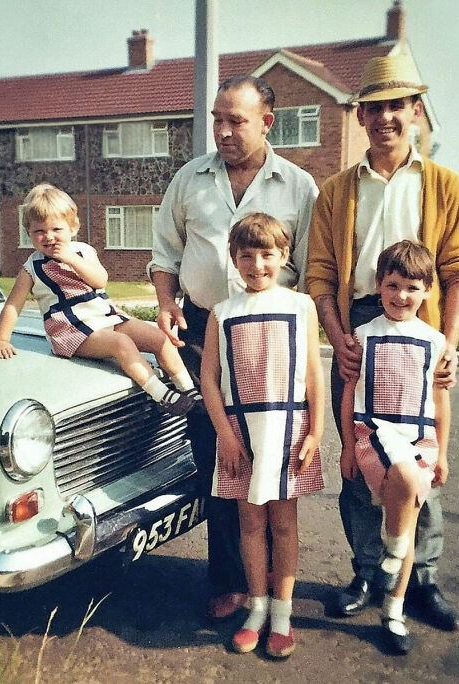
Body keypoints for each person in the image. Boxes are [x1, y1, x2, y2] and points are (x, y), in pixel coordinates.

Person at [305, 54, 459, 631]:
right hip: (359, 325)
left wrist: (448, 343)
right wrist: (338, 337)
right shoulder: (336, 189)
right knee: (360, 458)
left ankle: (420, 576)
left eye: (396, 106)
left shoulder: (444, 184)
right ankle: (364, 571)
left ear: (416, 112)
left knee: (420, 460)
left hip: (421, 325)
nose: (384, 117)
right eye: (374, 107)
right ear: (360, 115)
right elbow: (322, 274)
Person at [149, 75, 319, 621]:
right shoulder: (189, 179)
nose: (222, 131)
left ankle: (273, 585)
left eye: (235, 121)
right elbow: (164, 253)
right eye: (217, 120)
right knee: (222, 457)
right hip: (205, 326)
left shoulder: (298, 187)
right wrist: (167, 302)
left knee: (276, 462)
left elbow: (315, 269)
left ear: (267, 122)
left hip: (273, 336)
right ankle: (228, 580)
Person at [200, 213, 324, 657]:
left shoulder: (301, 305)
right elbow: (209, 380)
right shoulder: (222, 312)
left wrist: (316, 430)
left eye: (266, 254)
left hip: (287, 428)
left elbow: (313, 372)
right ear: (233, 259)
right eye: (246, 255)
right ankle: (256, 608)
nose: (256, 265)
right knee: (249, 524)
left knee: (284, 524)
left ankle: (282, 614)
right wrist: (226, 438)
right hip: (239, 431)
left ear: (284, 255)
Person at [0, 183, 200, 416]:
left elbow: (100, 280)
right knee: (121, 344)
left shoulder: (83, 252)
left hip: (105, 318)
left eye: (56, 229)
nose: (48, 237)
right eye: (39, 231)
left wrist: (72, 259)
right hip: (71, 332)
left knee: (158, 337)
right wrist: (1, 339)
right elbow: (13, 305)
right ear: (28, 233)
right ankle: (162, 395)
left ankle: (189, 389)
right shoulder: (31, 268)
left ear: (73, 227)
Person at [341, 240, 451, 654]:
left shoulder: (434, 341)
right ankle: (393, 555)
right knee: (403, 487)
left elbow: (440, 401)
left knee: (404, 515)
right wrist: (349, 447)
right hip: (374, 435)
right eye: (392, 285)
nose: (401, 296)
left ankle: (394, 611)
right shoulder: (363, 336)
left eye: (411, 287)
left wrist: (445, 451)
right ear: (379, 285)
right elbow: (349, 391)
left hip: (421, 438)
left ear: (426, 291)